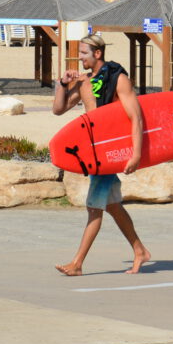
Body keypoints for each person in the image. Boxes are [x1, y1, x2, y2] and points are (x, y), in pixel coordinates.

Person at [52, 34, 151, 276]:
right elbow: (58, 109)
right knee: (113, 206)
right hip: (93, 151)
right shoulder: (84, 81)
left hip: (109, 152)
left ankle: (77, 263)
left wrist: (136, 154)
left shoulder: (118, 79)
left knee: (94, 208)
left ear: (98, 53)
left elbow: (135, 117)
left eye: (84, 53)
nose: (80, 58)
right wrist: (61, 85)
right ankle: (140, 250)